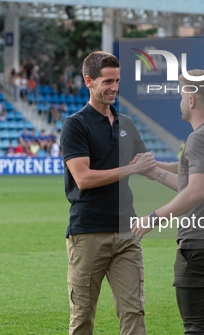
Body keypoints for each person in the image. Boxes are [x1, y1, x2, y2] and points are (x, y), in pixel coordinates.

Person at [131, 68, 204, 335]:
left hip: (201, 245)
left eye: (182, 96)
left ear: (191, 99)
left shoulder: (199, 138)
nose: (180, 102)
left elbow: (195, 192)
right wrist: (153, 169)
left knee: (197, 329)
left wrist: (152, 218)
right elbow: (189, 180)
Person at [59, 51, 155, 335]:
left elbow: (147, 167)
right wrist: (130, 169)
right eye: (108, 81)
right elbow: (84, 178)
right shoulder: (75, 125)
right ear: (89, 81)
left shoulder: (127, 123)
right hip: (88, 233)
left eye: (118, 80)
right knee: (83, 317)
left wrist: (195, 172)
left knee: (134, 312)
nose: (114, 87)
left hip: (127, 232)